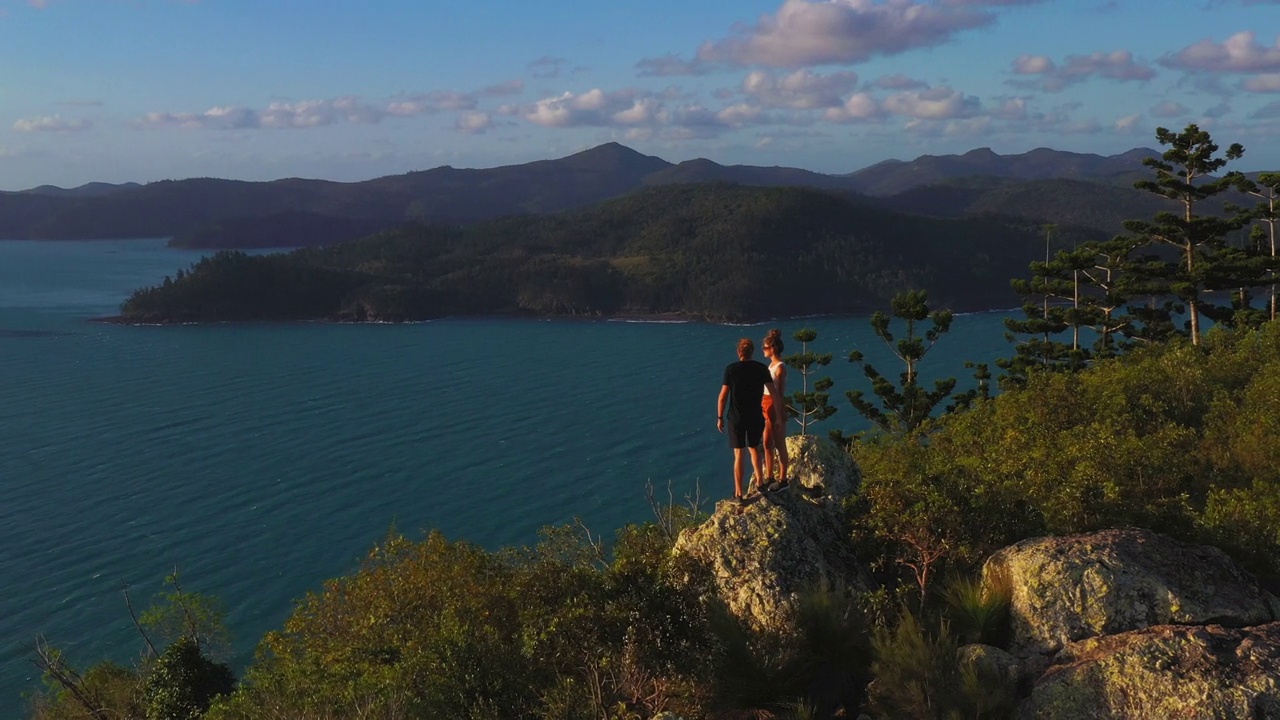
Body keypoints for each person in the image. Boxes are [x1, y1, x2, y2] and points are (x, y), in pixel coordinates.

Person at [716, 337, 779, 505]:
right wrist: (779, 414)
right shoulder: (761, 369)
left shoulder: (731, 370)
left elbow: (723, 397)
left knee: (739, 454)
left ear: (739, 352)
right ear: (752, 352)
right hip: (755, 416)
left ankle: (738, 494)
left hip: (736, 417)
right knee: (754, 449)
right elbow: (773, 393)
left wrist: (720, 417)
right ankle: (760, 483)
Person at [761, 329, 790, 491]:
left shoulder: (780, 367)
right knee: (766, 443)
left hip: (774, 405)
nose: (763, 350)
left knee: (779, 443)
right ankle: (769, 476)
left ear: (773, 349)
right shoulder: (771, 365)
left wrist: (779, 416)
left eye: (765, 348)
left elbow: (779, 393)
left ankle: (783, 479)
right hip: (765, 403)